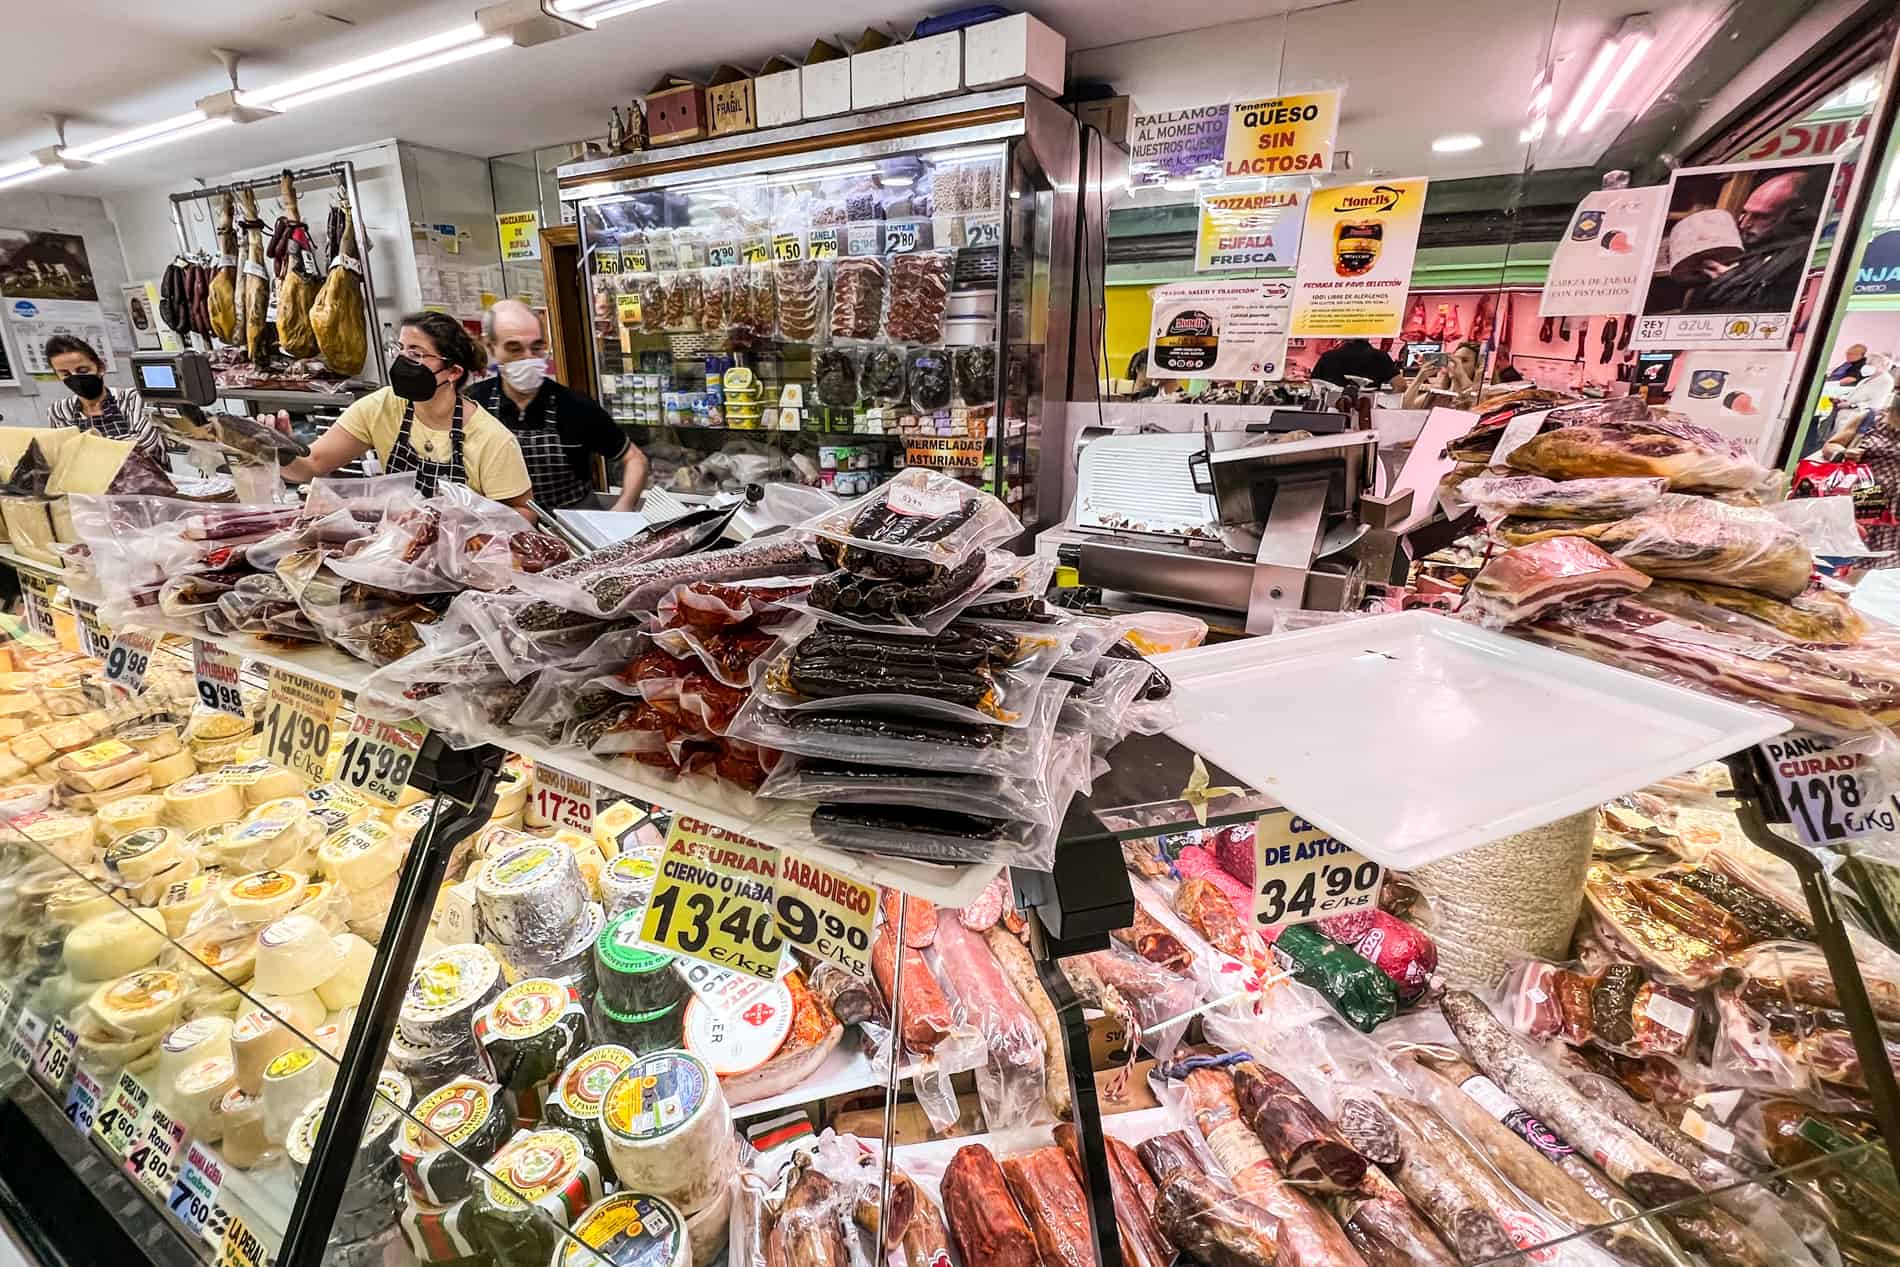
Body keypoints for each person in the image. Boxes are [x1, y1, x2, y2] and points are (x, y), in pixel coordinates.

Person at [277, 312, 533, 518]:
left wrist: (467, 531)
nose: (402, 360)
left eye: (416, 353)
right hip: (399, 548)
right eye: (400, 349)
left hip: (464, 558)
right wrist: (282, 450)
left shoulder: (492, 439)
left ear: (453, 372)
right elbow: (311, 467)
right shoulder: (384, 406)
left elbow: (524, 513)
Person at [465, 300, 646, 512]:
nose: (528, 357)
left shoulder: (574, 406)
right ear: (491, 347)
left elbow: (635, 459)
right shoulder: (475, 404)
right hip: (507, 526)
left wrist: (623, 506)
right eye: (514, 349)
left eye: (536, 347)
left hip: (574, 524)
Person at [1683, 171, 1822, 314]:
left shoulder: (1807, 259)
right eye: (1745, 213)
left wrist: (1732, 286)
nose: (1744, 224)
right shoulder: (1756, 245)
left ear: (1797, 216)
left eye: (1760, 216)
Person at [42, 334, 167, 464]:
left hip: (148, 480)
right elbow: (64, 456)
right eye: (65, 374)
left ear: (101, 367)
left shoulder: (133, 398)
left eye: (83, 370)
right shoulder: (59, 411)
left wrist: (90, 444)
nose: (75, 378)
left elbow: (145, 444)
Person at [1818, 352, 1897, 455]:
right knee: (1830, 444)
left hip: (1855, 419)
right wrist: (1842, 400)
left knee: (1839, 448)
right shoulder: (1867, 379)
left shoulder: (1886, 381)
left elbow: (1875, 404)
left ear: (1881, 365)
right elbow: (1855, 395)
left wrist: (1850, 405)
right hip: (1843, 416)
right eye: (1867, 363)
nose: (1867, 366)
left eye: (1870, 363)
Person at [1401, 340, 1482, 409]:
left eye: (1464, 360)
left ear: (1476, 367)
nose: (1456, 363)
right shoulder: (1438, 395)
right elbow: (1406, 408)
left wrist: (1461, 376)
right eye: (1455, 359)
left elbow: (1474, 404)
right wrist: (1420, 378)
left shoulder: (1478, 395)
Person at [1310, 338, 1401, 390]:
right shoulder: (1381, 356)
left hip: (1334, 411)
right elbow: (1400, 386)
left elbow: (1315, 386)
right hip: (1367, 410)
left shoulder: (1328, 356)